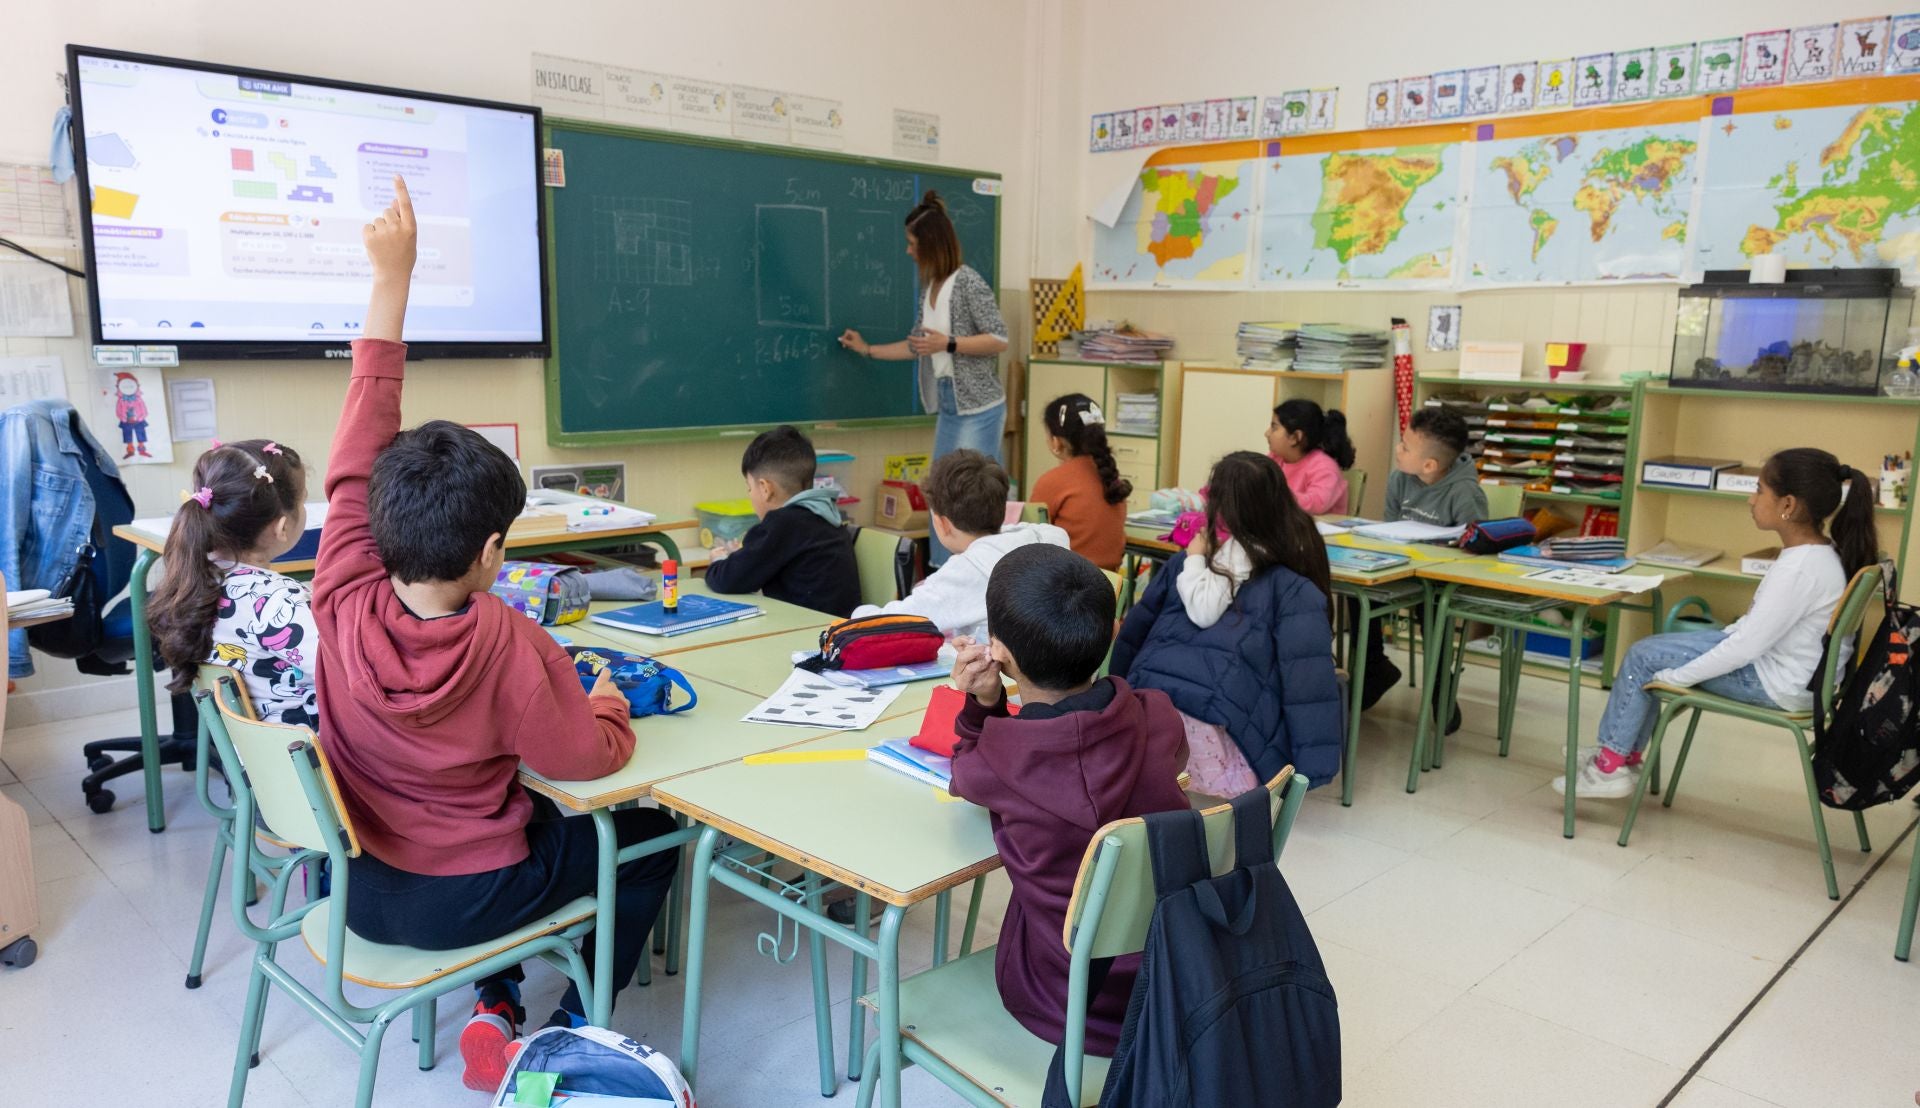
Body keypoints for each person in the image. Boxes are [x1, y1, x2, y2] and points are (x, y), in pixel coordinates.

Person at [311, 177, 676, 1091]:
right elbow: (585, 761)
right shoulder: (510, 642)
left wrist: (390, 280)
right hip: (464, 894)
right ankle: (571, 1029)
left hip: (355, 882)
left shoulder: (341, 590)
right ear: (490, 554)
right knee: (644, 842)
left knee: (501, 821)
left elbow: (359, 443)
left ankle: (495, 1002)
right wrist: (601, 705)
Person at [948, 543, 1189, 1055]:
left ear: (1000, 654)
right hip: (1172, 980)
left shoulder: (999, 760)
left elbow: (962, 773)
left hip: (1061, 1000)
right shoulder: (1159, 715)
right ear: (1113, 636)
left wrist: (982, 704)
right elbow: (1174, 762)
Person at [1555, 448, 1878, 798]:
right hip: (1797, 678)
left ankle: (1610, 766)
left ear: (1788, 505)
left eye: (1759, 490)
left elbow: (1747, 647)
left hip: (1776, 683)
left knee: (1644, 658)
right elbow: (1755, 632)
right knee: (1651, 654)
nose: (1751, 500)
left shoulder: (1797, 570)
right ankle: (1624, 754)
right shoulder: (1821, 554)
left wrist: (1678, 677)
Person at [1111, 451, 1343, 795]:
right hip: (1223, 731)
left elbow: (1133, 636)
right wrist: (1313, 768)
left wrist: (1113, 692)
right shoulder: (1295, 584)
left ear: (1218, 507)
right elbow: (1306, 683)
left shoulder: (1185, 564)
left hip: (1146, 717)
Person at [836, 191, 1009, 566]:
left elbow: (999, 338)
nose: (908, 251)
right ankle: (940, 570)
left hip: (979, 406)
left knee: (969, 499)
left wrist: (949, 342)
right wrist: (867, 349)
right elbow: (918, 346)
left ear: (930, 244)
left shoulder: (967, 283)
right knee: (940, 494)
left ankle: (975, 573)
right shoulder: (930, 290)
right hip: (949, 404)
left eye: (912, 244)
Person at [148, 440, 317, 728]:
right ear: (282, 527)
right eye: (302, 501)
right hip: (314, 763)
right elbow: (352, 675)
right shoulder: (279, 602)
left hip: (255, 764)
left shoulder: (194, 583)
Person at [1352, 407, 1490, 722]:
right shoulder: (1400, 477)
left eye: (1405, 446)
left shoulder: (1465, 492)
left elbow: (1478, 545)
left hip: (1442, 580)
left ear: (1429, 464)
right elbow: (1390, 529)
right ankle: (1375, 667)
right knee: (1359, 589)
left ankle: (1442, 689)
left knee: (1432, 607)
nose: (1398, 451)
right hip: (1401, 568)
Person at [850, 448, 1068, 642]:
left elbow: (891, 623)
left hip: (1004, 683)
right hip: (1063, 676)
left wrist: (858, 612)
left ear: (943, 524)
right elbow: (1016, 529)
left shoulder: (968, 570)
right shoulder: (1046, 537)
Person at [703, 424, 860, 616]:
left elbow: (727, 580)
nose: (749, 495)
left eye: (749, 488)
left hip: (808, 635)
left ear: (765, 488)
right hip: (839, 632)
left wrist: (718, 560)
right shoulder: (824, 514)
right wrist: (744, 556)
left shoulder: (783, 523)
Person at [1030, 393, 1131, 570]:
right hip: (1110, 588)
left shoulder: (1053, 481)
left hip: (1066, 585)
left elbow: (1029, 539)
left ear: (1056, 442)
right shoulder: (1110, 476)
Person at [1266, 398, 1356, 515]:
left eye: (1274, 428)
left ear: (1295, 437)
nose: (1267, 433)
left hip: (1319, 530)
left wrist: (1274, 496)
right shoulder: (1275, 458)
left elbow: (1317, 504)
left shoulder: (1324, 467)